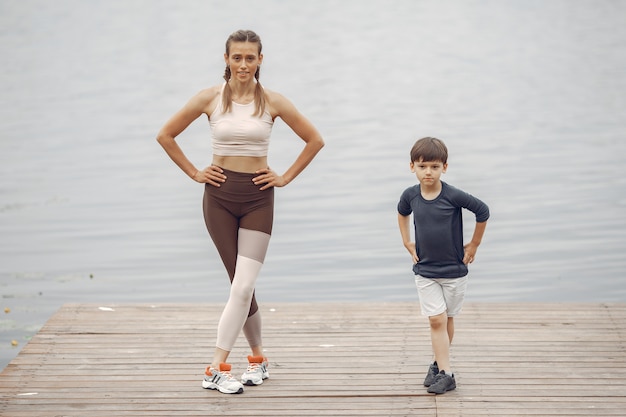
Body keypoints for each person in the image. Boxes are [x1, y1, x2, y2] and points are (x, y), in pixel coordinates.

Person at [156, 29, 324, 394]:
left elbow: (315, 140)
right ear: (226, 60)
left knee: (243, 285)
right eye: (237, 57)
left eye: (250, 57)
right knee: (240, 286)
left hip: (258, 197)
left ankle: (215, 367)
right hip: (218, 197)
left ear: (260, 60)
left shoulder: (274, 102)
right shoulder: (209, 98)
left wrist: (285, 177)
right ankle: (259, 360)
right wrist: (194, 172)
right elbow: (165, 135)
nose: (243, 64)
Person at [397, 137, 489, 394]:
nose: (428, 172)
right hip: (425, 270)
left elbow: (482, 211)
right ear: (412, 166)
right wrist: (407, 241)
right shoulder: (410, 195)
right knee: (436, 320)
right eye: (423, 166)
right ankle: (448, 374)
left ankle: (438, 364)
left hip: (454, 272)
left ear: (444, 168)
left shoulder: (453, 195)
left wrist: (473, 245)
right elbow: (402, 213)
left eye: (435, 167)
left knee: (446, 319)